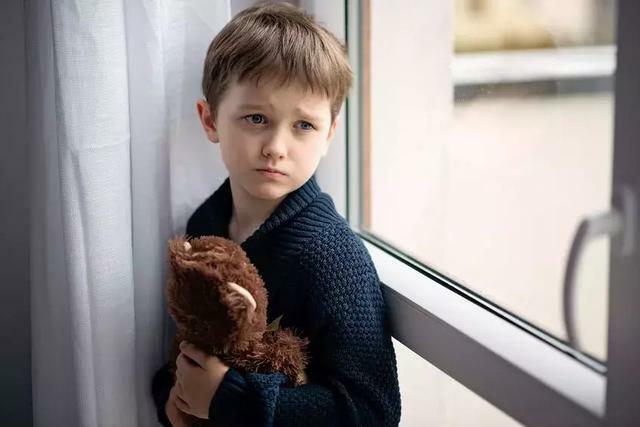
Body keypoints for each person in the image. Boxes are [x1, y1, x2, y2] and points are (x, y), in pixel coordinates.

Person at [151, 2, 401, 426]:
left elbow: (373, 411)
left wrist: (230, 399)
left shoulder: (332, 257)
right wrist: (172, 398)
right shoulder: (205, 226)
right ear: (210, 120)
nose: (276, 147)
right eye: (256, 118)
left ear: (329, 134)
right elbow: (193, 349)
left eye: (304, 126)